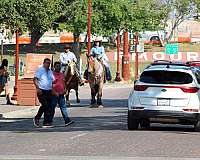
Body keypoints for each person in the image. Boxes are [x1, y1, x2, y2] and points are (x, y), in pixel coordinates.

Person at [33, 58, 54, 128]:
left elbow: (53, 80)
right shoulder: (40, 70)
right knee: (45, 105)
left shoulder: (50, 71)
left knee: (48, 106)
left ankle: (46, 122)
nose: (48, 64)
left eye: (49, 63)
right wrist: (37, 88)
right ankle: (37, 118)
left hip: (49, 90)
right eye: (47, 63)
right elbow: (35, 79)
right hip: (41, 90)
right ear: (44, 63)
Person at [50, 61, 73, 126]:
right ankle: (49, 121)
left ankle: (67, 120)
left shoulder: (62, 74)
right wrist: (54, 92)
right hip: (54, 94)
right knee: (52, 108)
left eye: (59, 66)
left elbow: (63, 82)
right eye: (57, 66)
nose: (58, 67)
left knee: (63, 107)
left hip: (61, 93)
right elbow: (50, 85)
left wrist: (65, 89)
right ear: (54, 67)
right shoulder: (52, 75)